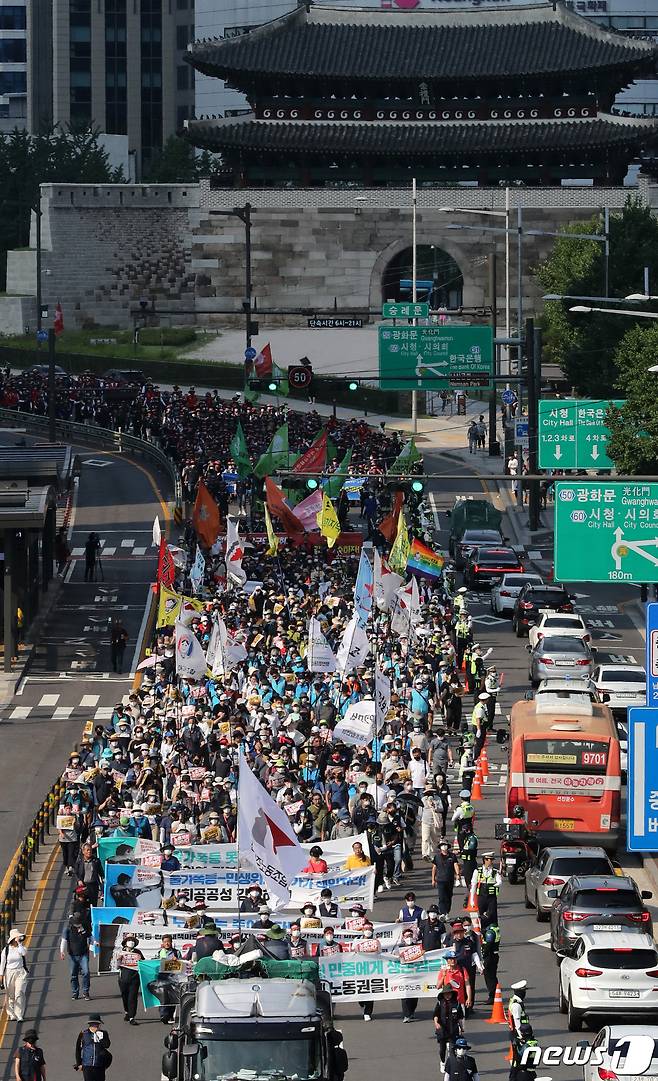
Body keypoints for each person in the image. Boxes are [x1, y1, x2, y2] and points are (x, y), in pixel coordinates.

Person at [61, 911, 92, 1001]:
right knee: (73, 975)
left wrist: (94, 943)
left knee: (86, 972)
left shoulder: (84, 927)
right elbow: (64, 940)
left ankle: (85, 991)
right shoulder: (67, 929)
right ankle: (75, 992)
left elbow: (90, 936)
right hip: (72, 955)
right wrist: (62, 951)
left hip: (83, 954)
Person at [0, 928, 29, 1021]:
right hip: (9, 973)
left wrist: (19, 943)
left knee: (19, 992)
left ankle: (19, 1014)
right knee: (10, 994)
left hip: (20, 972)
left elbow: (23, 953)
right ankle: (11, 1013)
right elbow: (2, 963)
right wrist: (1, 976)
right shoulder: (6, 950)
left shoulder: (21, 947)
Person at [433, 986, 464, 1070]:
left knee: (452, 1050)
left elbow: (460, 1017)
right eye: (445, 994)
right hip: (442, 1030)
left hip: (453, 1029)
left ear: (452, 994)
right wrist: (436, 1023)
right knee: (442, 1050)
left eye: (449, 994)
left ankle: (451, 1066)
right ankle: (443, 1062)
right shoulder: (440, 1003)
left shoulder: (456, 1003)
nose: (447, 996)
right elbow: (435, 1015)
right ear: (443, 995)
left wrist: (461, 1028)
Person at [74, 1015, 112, 1081]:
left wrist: (100, 1037)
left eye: (97, 1024)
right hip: (87, 1065)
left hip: (100, 1065)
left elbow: (107, 1045)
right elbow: (78, 1049)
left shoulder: (104, 1033)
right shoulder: (83, 1034)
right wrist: (79, 1063)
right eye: (93, 1024)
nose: (95, 1026)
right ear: (89, 1024)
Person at [117, 934, 144, 1024]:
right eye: (129, 940)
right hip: (123, 978)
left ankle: (132, 1017)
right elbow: (116, 967)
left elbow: (143, 964)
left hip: (135, 978)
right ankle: (127, 1012)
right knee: (125, 996)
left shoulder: (138, 952)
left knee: (132, 997)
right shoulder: (121, 952)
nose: (131, 942)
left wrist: (140, 960)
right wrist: (118, 960)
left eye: (132, 940)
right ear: (125, 942)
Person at [471, 852, 502, 927]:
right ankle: (484, 932)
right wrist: (472, 899)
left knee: (492, 914)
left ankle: (494, 932)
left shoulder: (495, 871)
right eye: (489, 859)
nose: (491, 861)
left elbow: (499, 881)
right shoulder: (477, 871)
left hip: (491, 897)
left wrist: (497, 884)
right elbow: (473, 885)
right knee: (483, 915)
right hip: (481, 897)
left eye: (492, 860)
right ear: (485, 860)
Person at [431, 839, 460, 916]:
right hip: (440, 880)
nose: (444, 847)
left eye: (445, 845)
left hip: (450, 880)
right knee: (441, 897)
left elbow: (455, 865)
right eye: (442, 845)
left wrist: (457, 875)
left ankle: (447, 912)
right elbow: (434, 868)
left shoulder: (452, 856)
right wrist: (433, 879)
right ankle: (442, 913)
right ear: (440, 847)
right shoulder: (437, 857)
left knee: (448, 896)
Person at [157, 935, 181, 1024]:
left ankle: (170, 1015)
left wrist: (177, 960)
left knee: (172, 997)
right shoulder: (160, 952)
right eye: (165, 941)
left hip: (173, 977)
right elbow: (156, 963)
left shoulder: (176, 952)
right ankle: (163, 1015)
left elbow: (181, 964)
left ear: (171, 942)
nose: (167, 943)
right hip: (162, 977)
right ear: (162, 943)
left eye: (168, 941)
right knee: (163, 996)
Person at [481, 922, 501, 1005]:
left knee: (489, 977)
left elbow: (488, 945)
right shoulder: (495, 929)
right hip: (494, 955)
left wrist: (484, 955)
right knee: (492, 976)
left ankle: (492, 996)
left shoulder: (490, 932)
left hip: (490, 956)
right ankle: (496, 994)